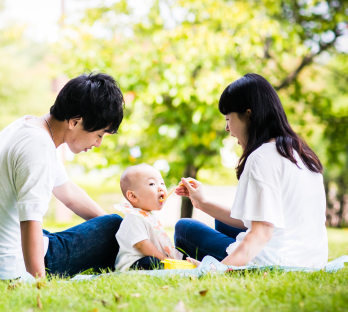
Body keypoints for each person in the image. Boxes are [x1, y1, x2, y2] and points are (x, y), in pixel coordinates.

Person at [0, 72, 125, 280]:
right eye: (98, 134)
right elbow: (30, 220)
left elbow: (69, 193)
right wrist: (38, 282)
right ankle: (143, 260)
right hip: (5, 265)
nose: (98, 143)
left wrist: (125, 231)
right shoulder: (39, 149)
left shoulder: (28, 127)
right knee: (114, 225)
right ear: (74, 122)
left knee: (115, 226)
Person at [173, 73, 328, 268]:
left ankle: (228, 259)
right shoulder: (301, 152)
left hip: (275, 260)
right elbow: (263, 217)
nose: (227, 128)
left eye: (229, 119)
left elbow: (262, 232)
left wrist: (217, 269)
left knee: (184, 228)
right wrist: (202, 202)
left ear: (248, 114)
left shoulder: (261, 157)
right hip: (312, 259)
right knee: (223, 223)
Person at [113, 164, 183, 271]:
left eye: (162, 183)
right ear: (133, 196)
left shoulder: (148, 214)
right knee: (153, 262)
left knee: (161, 260)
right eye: (152, 184)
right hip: (134, 264)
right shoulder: (134, 218)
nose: (160, 188)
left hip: (150, 257)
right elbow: (142, 245)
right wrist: (164, 259)